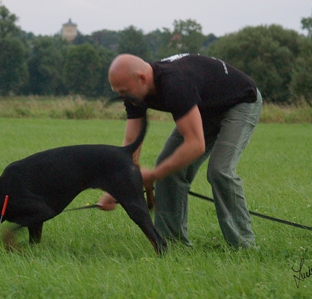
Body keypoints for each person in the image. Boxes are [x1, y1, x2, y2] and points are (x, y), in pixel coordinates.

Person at [98, 53, 262, 250]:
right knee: (169, 168)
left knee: (220, 170)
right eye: (118, 92)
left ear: (142, 78)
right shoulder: (134, 93)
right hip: (205, 108)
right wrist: (117, 188)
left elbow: (195, 145)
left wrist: (154, 174)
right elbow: (131, 147)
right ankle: (173, 245)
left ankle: (244, 246)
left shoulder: (176, 83)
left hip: (240, 102)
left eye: (124, 91)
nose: (122, 97)